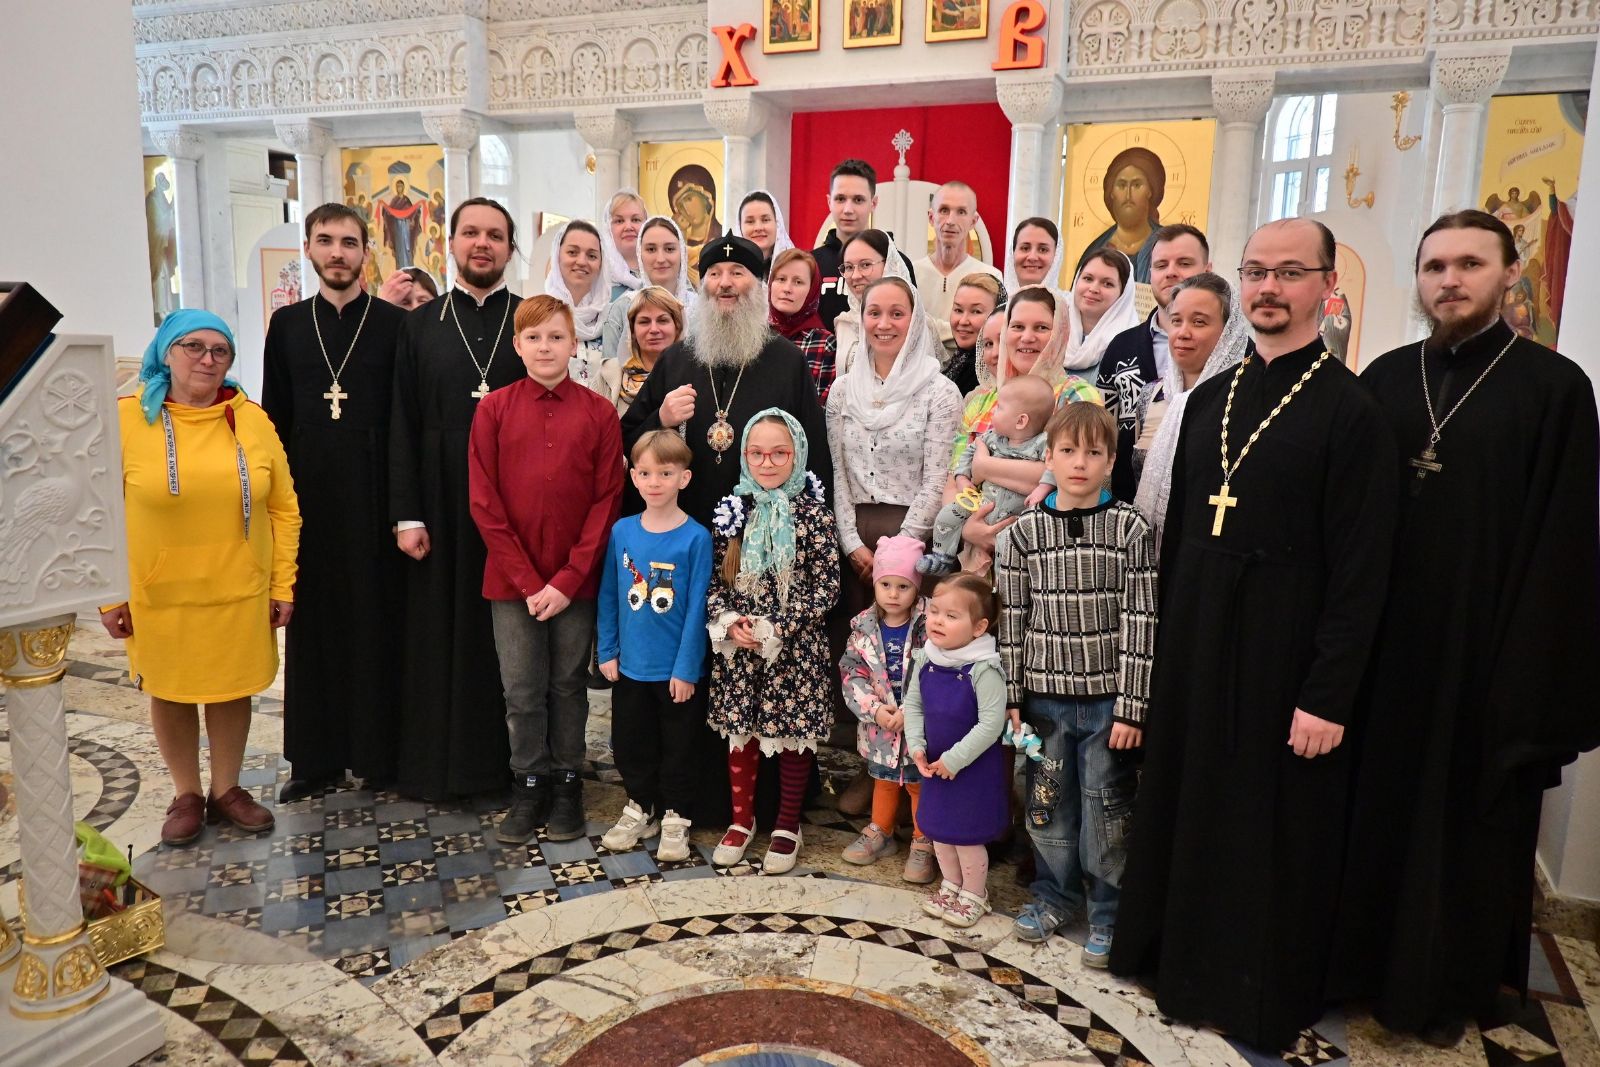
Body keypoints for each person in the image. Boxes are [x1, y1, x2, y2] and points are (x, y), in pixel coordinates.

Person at [1109, 218, 1400, 1051]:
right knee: (1189, 799)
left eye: (1290, 273)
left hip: (1285, 656)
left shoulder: (1351, 411)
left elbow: (1363, 570)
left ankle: (1250, 987)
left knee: (1266, 826)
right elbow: (1175, 541)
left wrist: (1328, 693)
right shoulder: (1209, 399)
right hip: (1197, 640)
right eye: (1258, 272)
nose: (1270, 288)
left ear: (1326, 285)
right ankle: (1175, 960)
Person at [1327, 210, 1600, 1046]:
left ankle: (1443, 985)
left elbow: (1561, 545)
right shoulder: (1384, 376)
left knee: (1463, 829)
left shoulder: (1554, 389)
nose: (1450, 279)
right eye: (1435, 265)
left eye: (1470, 263)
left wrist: (1523, 677)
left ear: (1510, 272)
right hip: (1383, 650)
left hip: (1483, 654)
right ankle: (1355, 968)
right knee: (1371, 816)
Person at [102, 311, 300, 846]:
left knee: (232, 688)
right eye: (193, 346)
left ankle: (227, 788)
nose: (207, 360)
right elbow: (98, 512)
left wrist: (282, 583)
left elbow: (284, 508)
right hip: (158, 591)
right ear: (166, 352)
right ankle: (186, 794)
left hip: (239, 587)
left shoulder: (251, 419)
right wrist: (108, 595)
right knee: (171, 690)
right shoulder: (126, 419)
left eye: (220, 351)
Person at [997, 402, 1157, 967]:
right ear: (1049, 457)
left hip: (1109, 704)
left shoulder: (1131, 529)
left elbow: (1142, 620)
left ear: (1111, 461)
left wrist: (1132, 707)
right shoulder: (1023, 535)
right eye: (1068, 451)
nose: (1080, 463)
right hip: (1044, 701)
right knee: (1048, 806)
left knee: (1107, 810)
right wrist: (1013, 696)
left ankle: (1108, 913)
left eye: (1093, 452)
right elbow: (1013, 619)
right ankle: (1054, 896)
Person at [261, 203, 406, 802]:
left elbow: (403, 418)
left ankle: (377, 755)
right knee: (314, 627)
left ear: (366, 252)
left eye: (349, 242)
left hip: (374, 493)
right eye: (326, 241)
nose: (338, 253)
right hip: (308, 497)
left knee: (376, 622)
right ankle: (314, 759)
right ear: (309, 249)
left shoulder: (393, 325)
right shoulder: (288, 325)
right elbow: (273, 419)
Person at [469, 295, 624, 843]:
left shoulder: (599, 413)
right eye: (533, 338)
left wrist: (566, 580)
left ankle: (566, 786)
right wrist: (531, 582)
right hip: (512, 583)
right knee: (521, 689)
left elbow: (607, 501)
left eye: (556, 337)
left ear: (573, 344)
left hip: (575, 582)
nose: (545, 347)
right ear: (517, 345)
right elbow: (484, 502)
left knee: (567, 685)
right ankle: (528, 784)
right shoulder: (494, 409)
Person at [389, 197, 525, 801]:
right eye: (471, 233)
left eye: (495, 235)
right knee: (439, 632)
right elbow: (402, 420)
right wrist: (407, 514)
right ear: (451, 244)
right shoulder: (419, 325)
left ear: (510, 248)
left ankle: (508, 767)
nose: (482, 244)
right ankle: (436, 767)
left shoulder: (529, 318)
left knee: (505, 638)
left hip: (514, 499)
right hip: (439, 498)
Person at [705, 409, 840, 874]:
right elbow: (714, 580)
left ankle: (786, 825)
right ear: (744, 455)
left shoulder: (815, 516)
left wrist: (778, 625)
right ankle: (742, 820)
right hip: (740, 650)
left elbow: (826, 587)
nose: (767, 463)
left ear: (797, 454)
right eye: (757, 453)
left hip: (794, 649)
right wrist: (729, 622)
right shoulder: (733, 511)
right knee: (741, 732)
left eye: (779, 453)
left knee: (791, 734)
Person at [621, 236, 832, 528]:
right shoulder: (675, 359)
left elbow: (814, 452)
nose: (724, 283)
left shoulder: (788, 361)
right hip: (682, 527)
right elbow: (627, 441)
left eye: (736, 272)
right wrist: (661, 419)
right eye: (714, 273)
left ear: (758, 285)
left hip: (762, 532)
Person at [596, 430, 713, 861]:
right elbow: (609, 594)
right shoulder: (622, 531)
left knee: (679, 747)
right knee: (632, 742)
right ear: (633, 477)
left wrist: (686, 668)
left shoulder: (696, 538)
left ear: (684, 478)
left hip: (675, 672)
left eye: (665, 473)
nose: (654, 482)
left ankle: (676, 815)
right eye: (645, 473)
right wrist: (607, 650)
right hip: (630, 667)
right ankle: (640, 806)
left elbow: (698, 608)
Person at [826, 277, 961, 617]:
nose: (884, 324)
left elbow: (937, 479)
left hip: (915, 537)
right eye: (874, 313)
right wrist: (850, 542)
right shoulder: (842, 391)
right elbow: (838, 472)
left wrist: (899, 549)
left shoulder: (939, 392)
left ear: (914, 320)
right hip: (854, 540)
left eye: (896, 314)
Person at [905, 573, 1009, 929]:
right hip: (935, 764)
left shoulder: (984, 667)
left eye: (951, 616)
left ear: (979, 627)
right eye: (934, 611)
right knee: (938, 829)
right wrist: (917, 746)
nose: (937, 621)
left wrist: (955, 759)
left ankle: (975, 893)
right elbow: (913, 705)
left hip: (971, 769)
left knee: (966, 836)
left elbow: (991, 724)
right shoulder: (926, 658)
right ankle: (951, 884)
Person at [838, 535, 934, 883]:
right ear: (875, 584)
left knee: (919, 783)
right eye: (886, 585)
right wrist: (876, 710)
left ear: (916, 587)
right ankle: (881, 831)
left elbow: (938, 670)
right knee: (884, 779)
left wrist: (912, 711)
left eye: (903, 586)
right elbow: (852, 673)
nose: (893, 594)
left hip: (920, 725)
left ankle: (923, 840)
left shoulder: (930, 624)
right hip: (880, 726)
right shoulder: (863, 628)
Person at [1130, 272, 1248, 546]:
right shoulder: (1152, 396)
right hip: (1148, 550)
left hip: (1209, 547)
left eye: (1199, 322)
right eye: (1176, 321)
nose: (1183, 332)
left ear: (1228, 332)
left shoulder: (1243, 399)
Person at [1097, 224, 1214, 501]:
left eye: (1184, 263)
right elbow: (1102, 432)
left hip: (1203, 501)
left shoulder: (1233, 349)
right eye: (1161, 265)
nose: (1171, 272)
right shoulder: (1121, 347)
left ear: (1207, 271)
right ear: (1150, 274)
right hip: (1126, 503)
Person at [922, 374, 1057, 577]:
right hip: (981, 504)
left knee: (1007, 546)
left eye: (999, 408)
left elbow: (1055, 467)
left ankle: (1005, 580)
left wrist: (1043, 488)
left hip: (1016, 519)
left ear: (1021, 421)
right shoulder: (992, 437)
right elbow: (967, 455)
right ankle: (942, 556)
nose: (993, 412)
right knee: (948, 514)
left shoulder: (1042, 443)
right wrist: (962, 478)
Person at [812, 158, 916, 331]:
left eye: (858, 200)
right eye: (840, 199)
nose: (848, 209)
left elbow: (910, 324)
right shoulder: (811, 263)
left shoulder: (896, 263)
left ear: (873, 203)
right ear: (829, 202)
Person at [911, 181, 1002, 343]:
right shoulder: (911, 272)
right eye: (944, 210)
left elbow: (992, 332)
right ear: (931, 217)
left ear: (973, 221)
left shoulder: (990, 276)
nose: (951, 221)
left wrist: (929, 327)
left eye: (961, 212)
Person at [602, 216, 693, 362]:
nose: (661, 258)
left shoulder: (699, 308)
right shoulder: (623, 307)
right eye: (651, 249)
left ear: (682, 253)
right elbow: (608, 368)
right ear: (640, 254)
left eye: (669, 249)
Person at [1074, 147, 1166, 285]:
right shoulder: (1096, 249)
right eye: (1121, 185)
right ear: (1111, 192)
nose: (1128, 195)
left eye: (1137, 185)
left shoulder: (1167, 244)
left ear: (1151, 191)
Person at [542, 219, 610, 392]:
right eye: (572, 252)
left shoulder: (613, 317)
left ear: (601, 263)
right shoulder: (539, 314)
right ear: (557, 256)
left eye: (592, 256)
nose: (582, 261)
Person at [767, 247, 838, 403]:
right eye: (781, 279)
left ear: (812, 290)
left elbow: (822, 407)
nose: (787, 289)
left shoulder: (824, 344)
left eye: (798, 282)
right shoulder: (755, 335)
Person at [603, 286, 683, 416]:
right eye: (644, 322)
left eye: (662, 320)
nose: (654, 329)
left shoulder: (693, 374)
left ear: (677, 327)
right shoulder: (607, 374)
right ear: (632, 331)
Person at [1064, 248, 1140, 377]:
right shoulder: (1052, 329)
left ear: (1123, 294)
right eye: (1088, 278)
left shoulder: (1132, 345)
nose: (1093, 289)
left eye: (1107, 284)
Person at [943, 273, 1005, 397]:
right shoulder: (958, 362)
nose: (963, 321)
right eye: (958, 310)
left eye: (976, 311)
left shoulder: (993, 371)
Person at [603, 189, 648, 298]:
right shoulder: (599, 276)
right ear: (608, 228)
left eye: (635, 220)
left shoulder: (662, 268)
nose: (628, 227)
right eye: (619, 221)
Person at [1004, 217, 1065, 296]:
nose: (1032, 257)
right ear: (1013, 253)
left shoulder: (1068, 303)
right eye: (1025, 248)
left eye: (1043, 250)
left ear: (1056, 256)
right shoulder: (994, 302)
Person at [735, 189, 795, 266]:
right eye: (750, 221)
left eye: (765, 220)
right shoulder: (729, 267)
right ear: (740, 227)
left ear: (777, 223)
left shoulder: (795, 265)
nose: (758, 228)